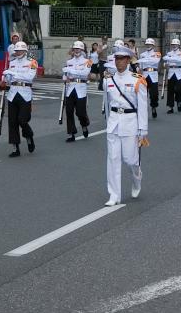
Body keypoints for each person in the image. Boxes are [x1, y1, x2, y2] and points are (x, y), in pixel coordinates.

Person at [102, 45, 148, 206]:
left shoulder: (137, 79)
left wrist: (143, 130)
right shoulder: (108, 80)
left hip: (130, 122)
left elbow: (142, 106)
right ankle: (114, 195)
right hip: (114, 122)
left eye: (122, 59)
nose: (118, 62)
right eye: (116, 59)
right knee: (113, 159)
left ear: (128, 60)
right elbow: (107, 105)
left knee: (130, 160)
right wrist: (108, 122)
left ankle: (137, 177)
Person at [1, 41, 37, 158]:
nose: (18, 52)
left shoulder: (32, 62)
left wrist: (13, 73)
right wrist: (5, 76)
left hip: (25, 93)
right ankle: (15, 147)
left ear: (25, 51)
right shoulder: (11, 63)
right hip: (13, 93)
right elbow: (9, 79)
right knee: (12, 122)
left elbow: (29, 77)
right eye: (16, 51)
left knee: (23, 119)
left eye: (20, 50)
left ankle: (29, 135)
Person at [61, 40, 92, 142]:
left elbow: (84, 73)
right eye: (75, 48)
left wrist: (70, 71)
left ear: (82, 49)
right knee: (69, 111)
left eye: (78, 48)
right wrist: (65, 77)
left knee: (80, 112)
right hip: (70, 88)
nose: (76, 50)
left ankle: (84, 125)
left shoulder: (87, 61)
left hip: (81, 88)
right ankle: (71, 133)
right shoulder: (69, 62)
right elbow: (65, 76)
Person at [137, 38, 162, 119]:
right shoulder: (142, 54)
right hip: (144, 75)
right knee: (143, 94)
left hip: (153, 75)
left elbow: (156, 62)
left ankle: (153, 107)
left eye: (150, 44)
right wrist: (144, 61)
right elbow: (140, 65)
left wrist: (144, 60)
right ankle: (143, 110)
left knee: (154, 94)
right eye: (147, 44)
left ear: (153, 45)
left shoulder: (157, 53)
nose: (148, 45)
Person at [163, 38, 181, 113]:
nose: (174, 46)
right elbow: (165, 60)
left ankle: (178, 101)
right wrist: (167, 62)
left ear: (179, 45)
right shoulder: (169, 53)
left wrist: (170, 59)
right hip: (171, 72)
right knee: (170, 90)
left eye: (176, 44)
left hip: (179, 72)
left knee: (178, 89)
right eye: (173, 44)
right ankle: (170, 107)